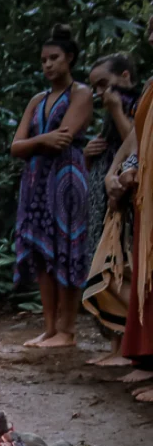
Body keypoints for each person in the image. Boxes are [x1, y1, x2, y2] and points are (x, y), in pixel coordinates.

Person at [11, 24, 93, 348]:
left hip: (67, 180)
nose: (47, 65)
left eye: (54, 58)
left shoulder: (81, 93)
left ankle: (67, 329)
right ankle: (48, 328)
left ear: (69, 58)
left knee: (67, 248)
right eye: (43, 60)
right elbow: (15, 146)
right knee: (42, 252)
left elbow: (65, 137)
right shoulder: (37, 99)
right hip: (35, 182)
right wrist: (41, 139)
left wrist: (37, 141)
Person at [82, 54, 140, 366]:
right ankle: (116, 346)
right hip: (105, 198)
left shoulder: (133, 102)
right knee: (104, 267)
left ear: (126, 76)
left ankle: (131, 350)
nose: (99, 92)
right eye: (95, 87)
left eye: (104, 84)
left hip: (128, 196)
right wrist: (90, 154)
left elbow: (138, 139)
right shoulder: (109, 110)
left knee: (121, 268)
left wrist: (117, 109)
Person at [113, 12, 153, 401]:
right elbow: (140, 139)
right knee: (146, 277)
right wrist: (125, 168)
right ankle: (147, 361)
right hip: (147, 192)